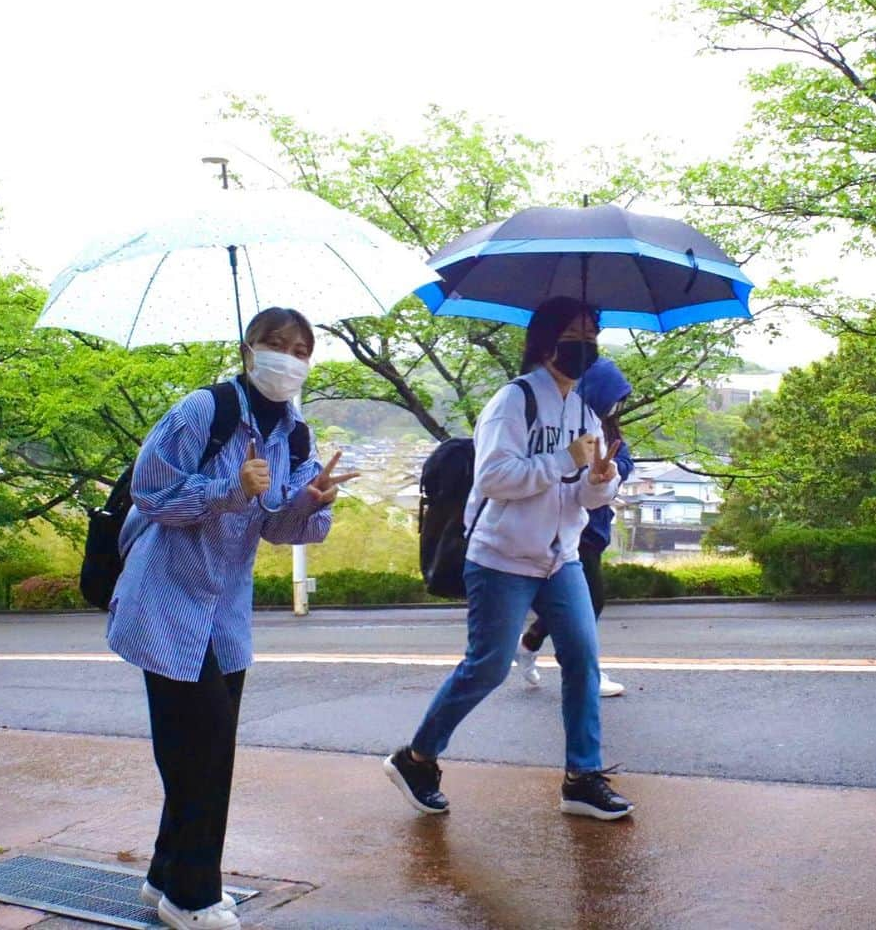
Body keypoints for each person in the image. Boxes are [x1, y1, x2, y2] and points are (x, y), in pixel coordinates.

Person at [107, 307, 357, 930]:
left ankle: (166, 872)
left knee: (197, 751)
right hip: (166, 603)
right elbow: (150, 496)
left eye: (301, 348)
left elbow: (276, 529)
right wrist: (231, 488)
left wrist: (309, 500)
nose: (288, 357)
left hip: (224, 614)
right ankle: (190, 897)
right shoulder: (204, 410)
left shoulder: (295, 435)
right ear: (248, 350)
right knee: (205, 749)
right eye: (276, 344)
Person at [384, 296, 635, 821]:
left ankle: (582, 777)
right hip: (501, 558)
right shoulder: (512, 402)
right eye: (575, 333)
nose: (585, 344)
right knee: (487, 667)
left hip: (559, 558)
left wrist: (598, 482)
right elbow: (495, 478)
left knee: (583, 661)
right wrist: (564, 459)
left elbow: (581, 499)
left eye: (593, 333)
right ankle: (416, 758)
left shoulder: (584, 411)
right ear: (546, 343)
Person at [515, 358, 633, 697]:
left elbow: (623, 462)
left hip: (593, 528)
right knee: (589, 603)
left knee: (576, 604)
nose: (616, 404)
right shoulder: (565, 427)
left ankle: (531, 642)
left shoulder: (603, 428)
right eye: (613, 396)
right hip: (569, 530)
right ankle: (584, 675)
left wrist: (609, 470)